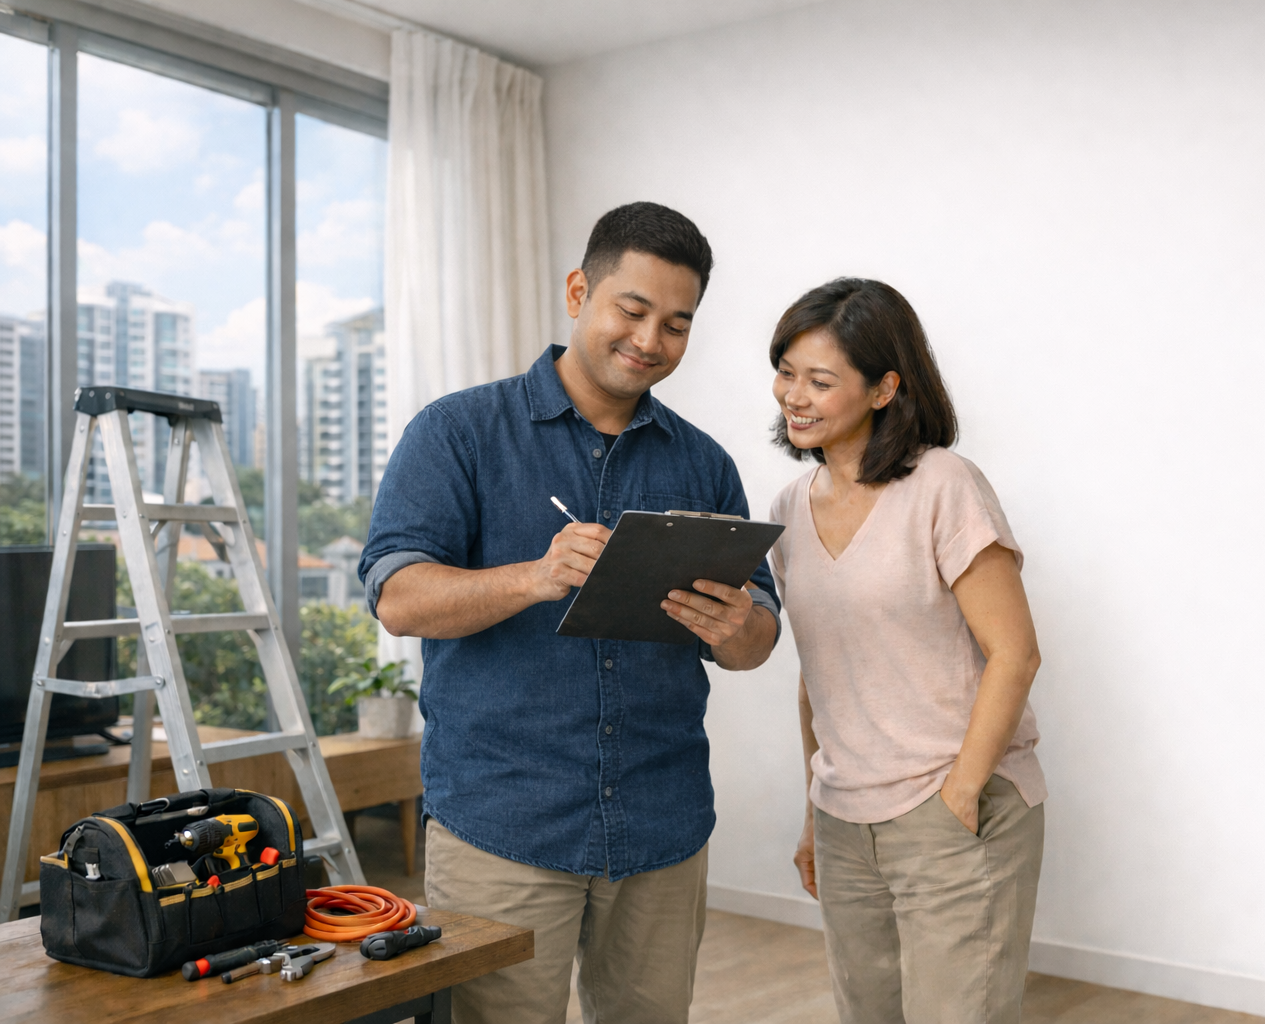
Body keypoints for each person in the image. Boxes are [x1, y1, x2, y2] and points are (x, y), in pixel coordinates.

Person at [360, 202, 782, 1024]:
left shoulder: (705, 463)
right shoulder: (456, 433)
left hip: (662, 828)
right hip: (502, 828)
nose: (651, 340)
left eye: (677, 324)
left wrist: (741, 631)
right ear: (578, 290)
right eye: (632, 309)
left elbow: (757, 636)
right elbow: (398, 599)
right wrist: (532, 577)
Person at [767, 278, 1047, 1023]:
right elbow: (818, 677)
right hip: (844, 814)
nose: (794, 395)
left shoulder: (943, 485)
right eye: (787, 372)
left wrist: (958, 797)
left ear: (885, 386)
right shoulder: (789, 509)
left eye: (820, 380)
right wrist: (813, 812)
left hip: (951, 807)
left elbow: (1014, 653)